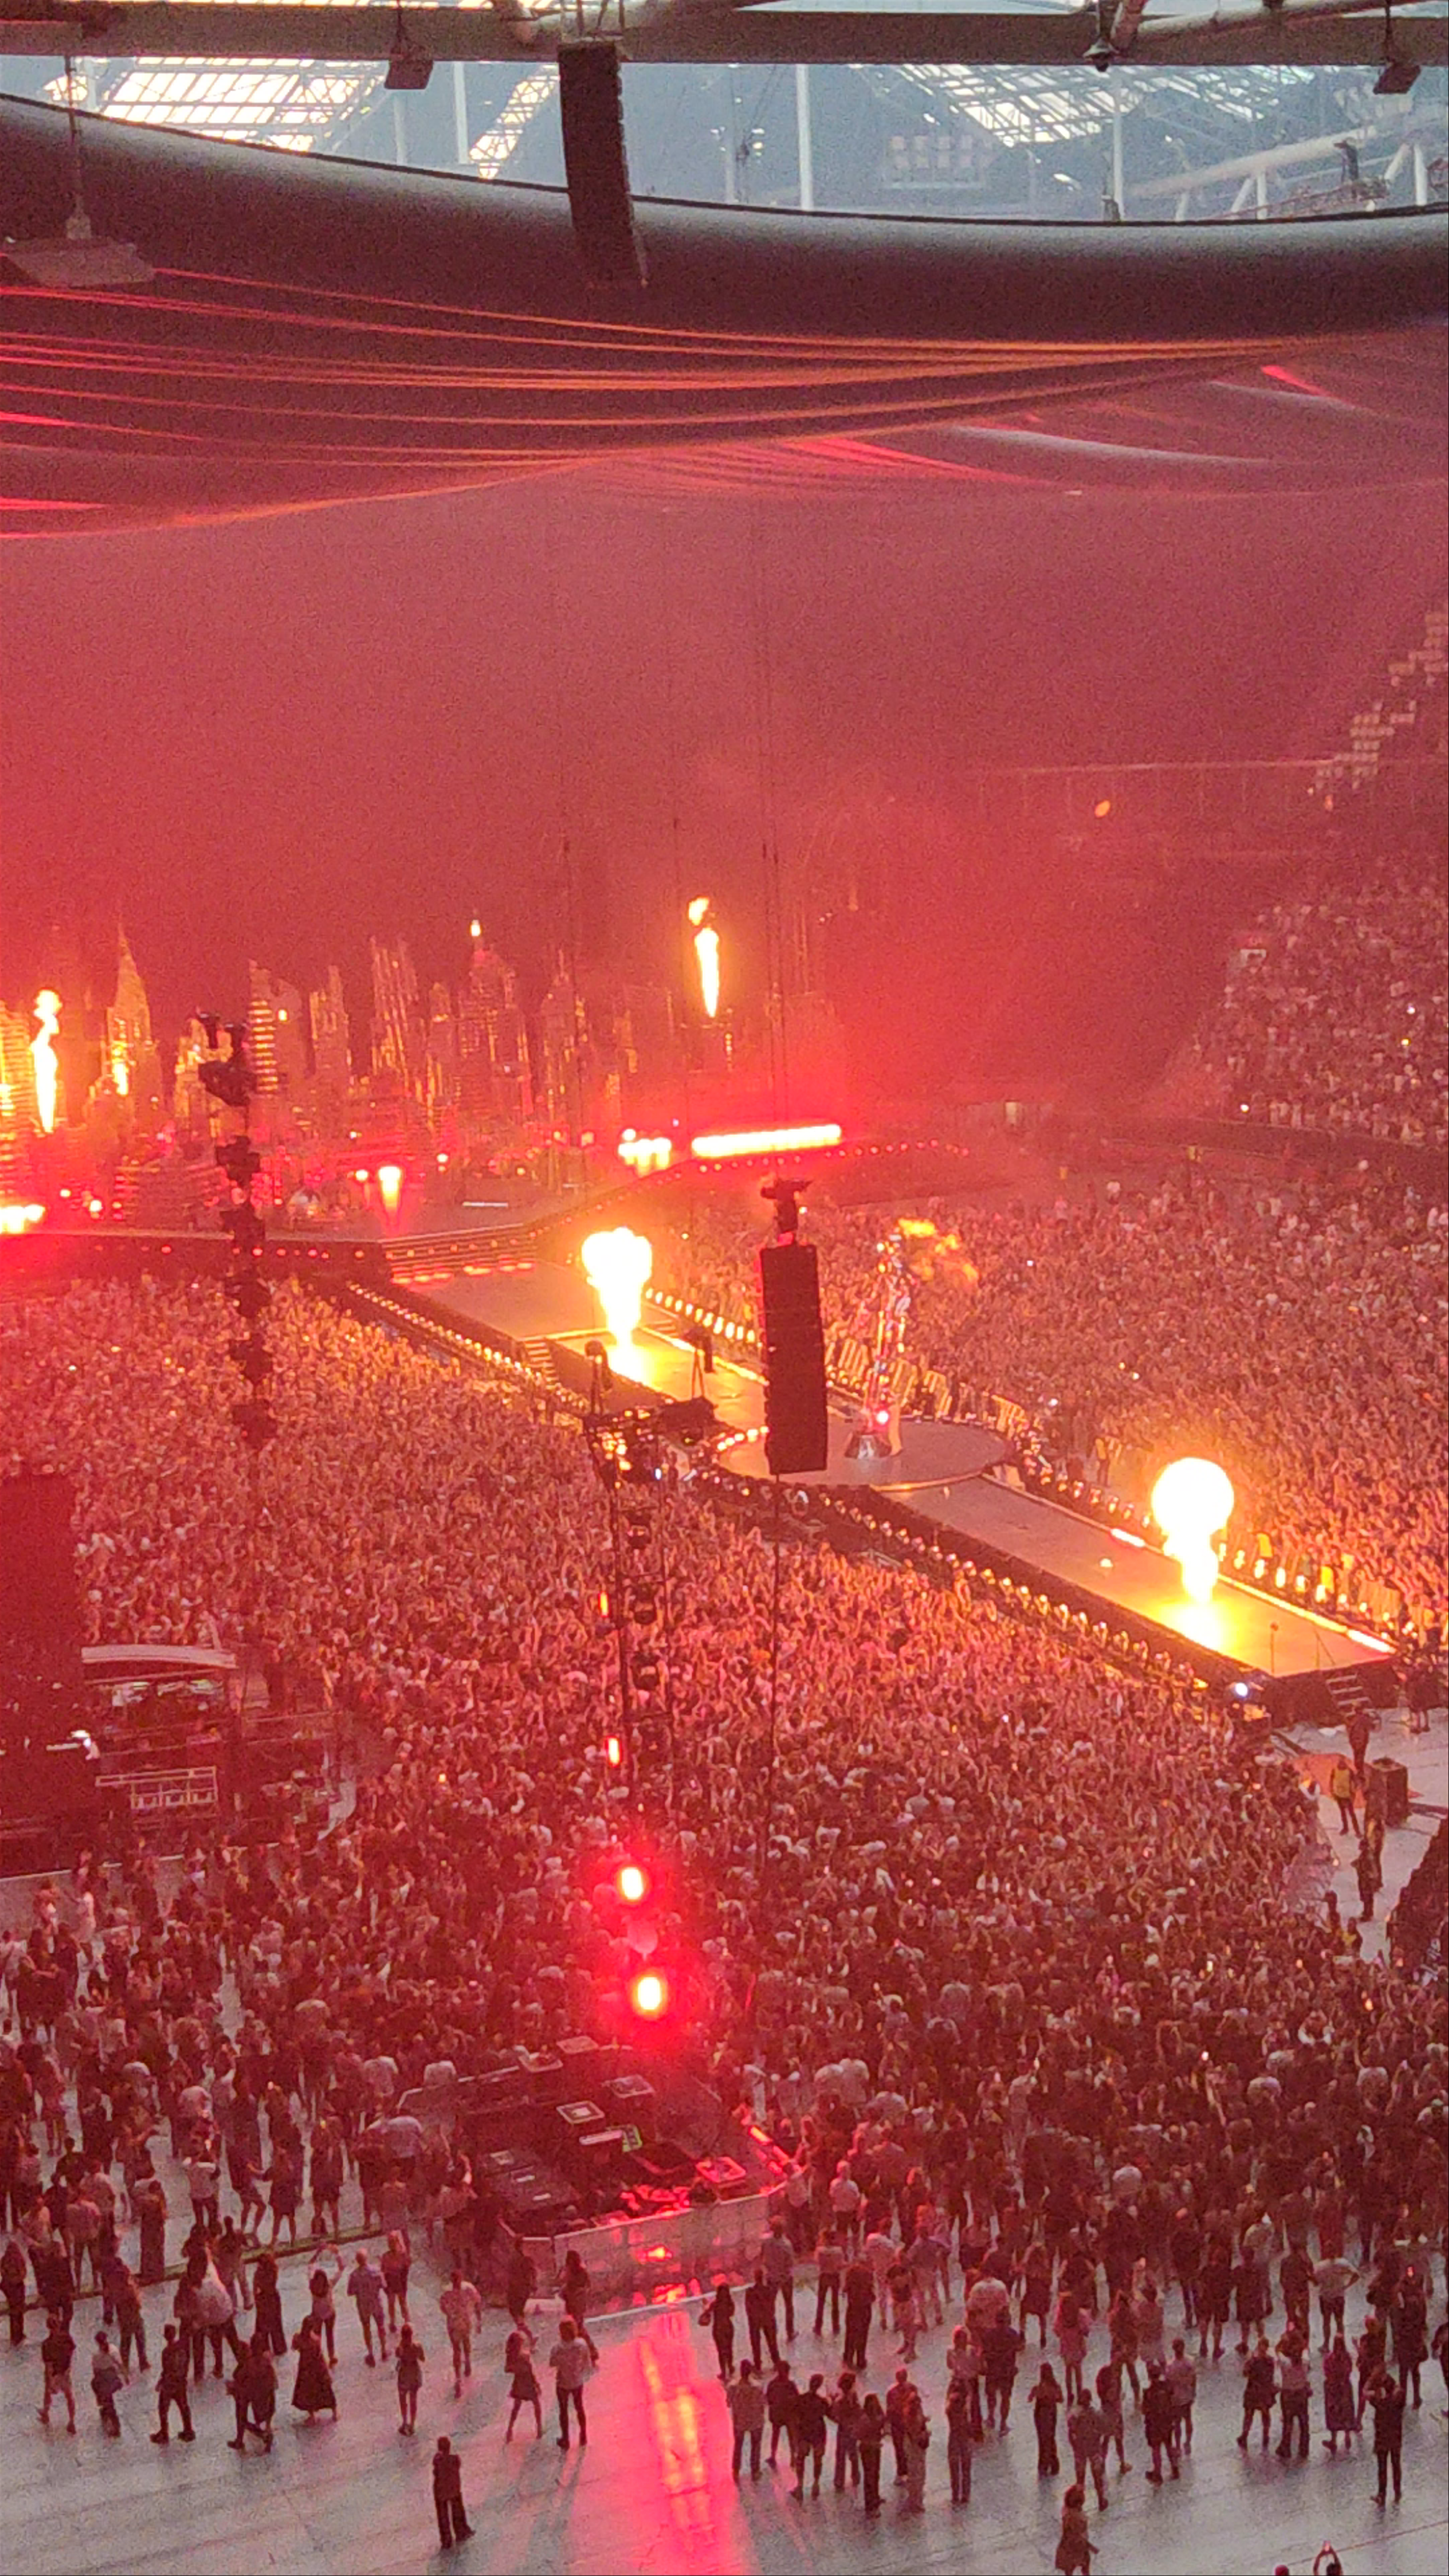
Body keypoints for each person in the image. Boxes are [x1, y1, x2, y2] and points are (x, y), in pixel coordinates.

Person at [549, 2315, 591, 2450]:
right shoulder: (581, 2344)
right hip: (577, 2381)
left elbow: (552, 2363)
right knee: (580, 2407)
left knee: (564, 2411)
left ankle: (566, 2438)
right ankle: (583, 2435)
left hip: (563, 2382)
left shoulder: (558, 2348)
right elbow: (587, 2362)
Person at [440, 2267, 482, 2399]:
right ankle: (462, 2370)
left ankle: (462, 2371)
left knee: (460, 2347)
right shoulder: (466, 2289)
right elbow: (477, 2302)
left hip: (458, 2321)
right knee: (460, 2346)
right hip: (461, 2321)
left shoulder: (450, 2291)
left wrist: (450, 2314)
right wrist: (478, 2319)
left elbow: (442, 2306)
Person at [151, 2322, 195, 2443]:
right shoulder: (182, 2349)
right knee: (184, 2407)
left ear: (166, 2336)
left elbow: (167, 2369)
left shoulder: (166, 2352)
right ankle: (188, 2430)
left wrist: (162, 2382)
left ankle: (164, 2433)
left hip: (169, 2384)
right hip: (180, 2382)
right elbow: (185, 2364)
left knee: (163, 2409)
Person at [291, 2313, 337, 2424]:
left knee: (307, 2392)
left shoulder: (299, 2338)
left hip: (306, 2369)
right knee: (325, 2390)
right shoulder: (316, 2340)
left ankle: (313, 2415)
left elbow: (295, 2348)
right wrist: (327, 2371)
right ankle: (334, 2411)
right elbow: (320, 2357)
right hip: (316, 2368)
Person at [347, 2248, 389, 2367]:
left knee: (367, 2329)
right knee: (381, 2327)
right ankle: (384, 2350)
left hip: (363, 2305)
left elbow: (350, 2292)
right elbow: (384, 2285)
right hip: (376, 2303)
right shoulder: (376, 2271)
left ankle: (371, 2353)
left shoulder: (354, 2276)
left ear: (357, 2260)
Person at [37, 2308, 77, 2432]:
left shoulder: (47, 2345)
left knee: (48, 2393)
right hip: (65, 2371)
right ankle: (72, 2421)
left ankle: (46, 2413)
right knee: (69, 2396)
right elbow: (72, 2352)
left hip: (54, 2373)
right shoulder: (67, 2338)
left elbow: (48, 2365)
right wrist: (68, 2367)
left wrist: (50, 2381)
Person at [1369, 2370, 1405, 2504]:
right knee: (1396, 2465)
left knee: (1382, 2468)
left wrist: (1373, 2378)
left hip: (1382, 2440)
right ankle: (1398, 2491)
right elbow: (1400, 2391)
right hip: (1396, 2439)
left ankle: (1382, 2494)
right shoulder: (1398, 2402)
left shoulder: (1380, 2403)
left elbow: (1366, 2392)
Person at [431, 2435, 473, 2548]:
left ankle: (446, 2539)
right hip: (454, 2489)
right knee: (458, 2511)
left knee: (443, 2515)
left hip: (440, 2491)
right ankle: (461, 2532)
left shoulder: (437, 2460)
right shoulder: (455, 2459)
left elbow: (436, 2473)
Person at [728, 2358, 765, 2481]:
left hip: (740, 2421)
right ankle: (755, 2471)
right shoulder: (758, 2387)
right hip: (756, 2421)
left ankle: (736, 2471)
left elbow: (728, 2403)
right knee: (756, 2446)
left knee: (738, 2445)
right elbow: (763, 2403)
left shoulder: (733, 2387)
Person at [1141, 2360, 1179, 2481]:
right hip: (1167, 2422)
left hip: (1154, 2425)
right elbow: (1173, 2400)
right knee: (1169, 2445)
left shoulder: (1149, 2393)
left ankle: (1158, 2473)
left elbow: (1145, 2409)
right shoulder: (1167, 2387)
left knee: (1156, 2449)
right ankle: (1175, 2468)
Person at [793, 2371, 829, 2498]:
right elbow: (830, 2415)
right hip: (818, 2432)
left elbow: (795, 2416)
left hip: (804, 2432)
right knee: (818, 2460)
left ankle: (800, 2486)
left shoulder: (801, 2400)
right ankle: (816, 2484)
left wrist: (796, 2433)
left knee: (801, 2459)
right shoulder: (822, 2402)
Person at [503, 2323, 541, 2440]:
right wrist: (537, 2384)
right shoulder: (524, 2356)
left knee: (516, 2407)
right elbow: (530, 2371)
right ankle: (539, 2428)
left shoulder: (511, 2357)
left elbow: (507, 2369)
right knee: (536, 2405)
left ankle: (510, 2430)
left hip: (519, 2383)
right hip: (528, 2382)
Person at [1238, 2335, 1276, 2451]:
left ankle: (1245, 2435)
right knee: (1265, 2413)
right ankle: (1266, 2435)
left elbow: (1245, 2373)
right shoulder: (1270, 2361)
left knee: (1249, 2414)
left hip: (1253, 2390)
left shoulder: (1253, 2361)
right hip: (1265, 2390)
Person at [1276, 2338, 1312, 2462]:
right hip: (1301, 2393)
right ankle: (1304, 2448)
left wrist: (1283, 2342)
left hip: (1288, 2394)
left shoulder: (1286, 2363)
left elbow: (1277, 2351)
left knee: (1288, 2422)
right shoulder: (1305, 2362)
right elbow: (1306, 2348)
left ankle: (1286, 2448)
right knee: (1304, 2422)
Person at [1323, 2331, 1357, 2453]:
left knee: (1333, 2412)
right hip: (1345, 2387)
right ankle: (1347, 2436)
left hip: (1333, 2389)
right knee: (1346, 2411)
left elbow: (1326, 2372)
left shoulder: (1330, 2358)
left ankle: (1334, 2439)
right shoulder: (1347, 2357)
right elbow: (1350, 2370)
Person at [90, 2329, 126, 2437]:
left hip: (102, 2380)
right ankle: (114, 2424)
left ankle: (112, 2423)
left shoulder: (96, 2355)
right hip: (112, 2378)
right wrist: (125, 2376)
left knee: (107, 2400)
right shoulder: (114, 2350)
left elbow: (96, 2370)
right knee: (109, 2400)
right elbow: (120, 2365)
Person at [1055, 2482, 1096, 2576]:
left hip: (1069, 2547)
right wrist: (1090, 2547)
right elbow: (1075, 2534)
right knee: (1083, 2566)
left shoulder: (1068, 2512)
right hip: (1076, 2547)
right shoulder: (1074, 2517)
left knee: (1071, 2569)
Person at [1032, 2362, 1064, 2476]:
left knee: (1043, 2439)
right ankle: (1053, 2463)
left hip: (1042, 2413)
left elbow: (1031, 2397)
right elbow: (1061, 2399)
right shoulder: (1055, 2387)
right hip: (1052, 2412)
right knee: (1051, 2437)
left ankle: (1044, 2464)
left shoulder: (1041, 2387)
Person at [900, 2390, 930, 2514]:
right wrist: (925, 2434)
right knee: (916, 2473)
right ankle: (915, 2500)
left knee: (920, 2472)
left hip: (918, 2446)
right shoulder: (910, 2415)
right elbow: (914, 2435)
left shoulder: (916, 2413)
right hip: (914, 2447)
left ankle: (917, 2498)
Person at [946, 2371, 974, 2503]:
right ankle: (965, 2495)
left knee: (955, 2468)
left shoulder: (950, 2411)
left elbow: (948, 2397)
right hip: (964, 2439)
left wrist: (953, 2385)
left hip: (954, 2439)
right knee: (966, 2467)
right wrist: (965, 2382)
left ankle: (955, 2494)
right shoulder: (964, 2411)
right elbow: (970, 2395)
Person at [1166, 2338, 1197, 2456]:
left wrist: (1193, 2392)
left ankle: (1185, 2443)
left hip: (1182, 2396)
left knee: (1185, 2421)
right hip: (1178, 2397)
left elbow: (1193, 2379)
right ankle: (1181, 2444)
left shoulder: (1178, 2364)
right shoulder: (1175, 2364)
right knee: (1180, 2422)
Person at [858, 2391, 886, 2516]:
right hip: (868, 2450)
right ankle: (870, 2506)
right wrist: (872, 2444)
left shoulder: (876, 2416)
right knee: (870, 2476)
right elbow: (859, 2436)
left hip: (875, 2448)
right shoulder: (865, 2419)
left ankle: (875, 2497)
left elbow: (884, 2421)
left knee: (876, 2474)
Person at [765, 2358, 796, 2468]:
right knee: (790, 2436)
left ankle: (774, 2456)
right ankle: (792, 2457)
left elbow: (768, 2399)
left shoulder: (773, 2384)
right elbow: (796, 2399)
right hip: (788, 2414)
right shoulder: (790, 2385)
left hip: (779, 2414)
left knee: (777, 2435)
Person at [702, 2280, 735, 2381]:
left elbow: (706, 2316)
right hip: (728, 2327)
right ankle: (730, 2367)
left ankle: (724, 2372)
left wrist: (705, 2306)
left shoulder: (715, 2305)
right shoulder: (730, 2304)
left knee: (721, 2351)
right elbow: (731, 2314)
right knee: (729, 2349)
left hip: (718, 2329)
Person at [395, 2326, 425, 2436]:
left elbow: (398, 2356)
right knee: (413, 2399)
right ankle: (412, 2424)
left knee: (403, 2400)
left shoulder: (400, 2348)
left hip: (404, 2375)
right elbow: (423, 2359)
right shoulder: (417, 2347)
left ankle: (404, 2422)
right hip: (415, 2373)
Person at [1328, 1752, 1358, 1835]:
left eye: (1343, 1762)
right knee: (1343, 1813)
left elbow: (1356, 1782)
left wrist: (1354, 1791)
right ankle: (1346, 1829)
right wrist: (1332, 1790)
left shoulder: (1349, 1771)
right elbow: (1331, 1780)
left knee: (1352, 1814)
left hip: (1347, 1795)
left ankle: (1357, 1831)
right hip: (1338, 1794)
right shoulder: (1335, 1771)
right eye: (1340, 1762)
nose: (1341, 1764)